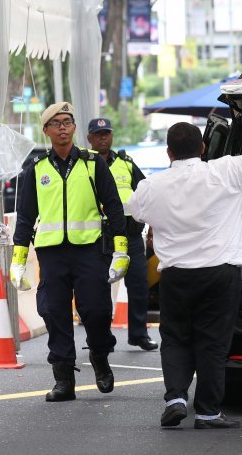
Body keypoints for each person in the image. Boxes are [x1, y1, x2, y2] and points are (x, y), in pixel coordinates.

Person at [126, 86, 242, 429]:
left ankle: (176, 397)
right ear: (203, 148)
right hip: (220, 274)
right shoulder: (225, 173)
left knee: (176, 338)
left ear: (168, 153)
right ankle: (207, 411)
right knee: (212, 343)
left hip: (176, 276)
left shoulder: (152, 187)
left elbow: (133, 213)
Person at [9, 102, 129, 402]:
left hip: (89, 250)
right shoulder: (36, 170)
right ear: (46, 130)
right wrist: (18, 260)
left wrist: (121, 249)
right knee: (53, 312)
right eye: (56, 123)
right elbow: (25, 217)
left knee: (97, 310)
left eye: (68, 122)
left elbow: (113, 206)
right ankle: (63, 379)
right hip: (52, 255)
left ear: (75, 128)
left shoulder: (92, 164)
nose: (63, 127)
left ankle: (100, 357)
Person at [87, 118, 158, 351]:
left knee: (138, 284)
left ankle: (138, 334)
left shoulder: (126, 163)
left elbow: (146, 193)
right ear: (89, 138)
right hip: (100, 237)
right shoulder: (84, 165)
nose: (103, 137)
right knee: (98, 289)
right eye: (98, 134)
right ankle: (100, 338)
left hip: (130, 235)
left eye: (107, 133)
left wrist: (152, 227)